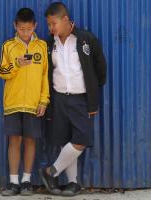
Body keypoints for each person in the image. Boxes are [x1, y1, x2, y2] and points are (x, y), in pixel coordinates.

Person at [39, 2, 106, 197]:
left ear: (66, 20)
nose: (51, 28)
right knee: (65, 141)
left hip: (80, 99)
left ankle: (50, 172)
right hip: (59, 99)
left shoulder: (86, 39)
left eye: (54, 24)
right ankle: (73, 183)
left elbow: (100, 68)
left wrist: (92, 92)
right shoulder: (49, 44)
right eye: (49, 24)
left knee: (81, 139)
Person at [0, 7, 49, 196]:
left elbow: (45, 76)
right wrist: (16, 64)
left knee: (30, 141)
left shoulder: (42, 46)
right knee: (14, 141)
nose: (25, 33)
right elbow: (1, 72)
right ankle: (13, 182)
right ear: (15, 26)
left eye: (29, 29)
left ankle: (26, 180)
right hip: (13, 103)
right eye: (21, 29)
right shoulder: (8, 46)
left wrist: (43, 100)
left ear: (35, 26)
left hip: (34, 104)